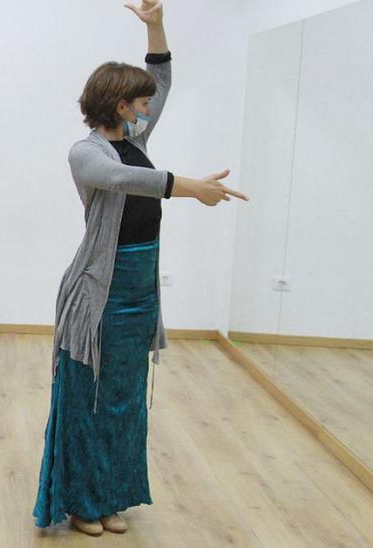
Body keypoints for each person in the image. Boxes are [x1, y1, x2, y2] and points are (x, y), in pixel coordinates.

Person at [33, 0, 248, 536]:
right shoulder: (86, 152)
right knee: (90, 394)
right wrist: (188, 186)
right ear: (119, 104)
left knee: (127, 399)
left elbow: (162, 80)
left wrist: (155, 25)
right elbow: (125, 181)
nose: (148, 107)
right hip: (97, 293)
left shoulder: (137, 140)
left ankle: (112, 497)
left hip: (139, 289)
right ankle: (81, 501)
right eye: (139, 102)